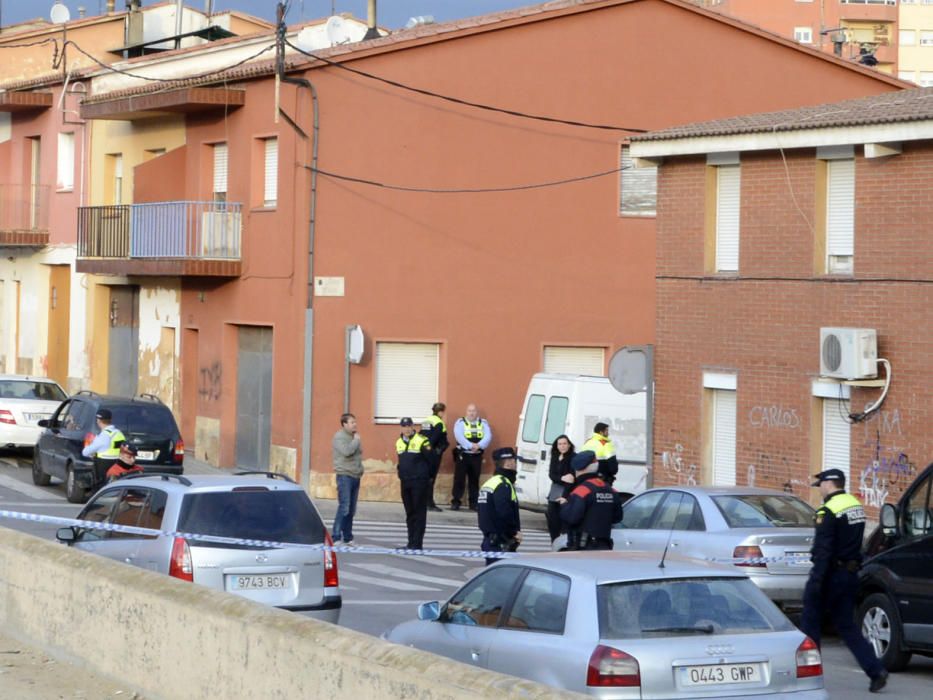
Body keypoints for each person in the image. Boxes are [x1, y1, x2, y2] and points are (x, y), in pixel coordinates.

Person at [801, 469, 888, 693]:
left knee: (810, 625)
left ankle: (810, 677)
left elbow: (823, 549)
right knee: (847, 626)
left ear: (830, 484)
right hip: (849, 574)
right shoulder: (854, 505)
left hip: (830, 574)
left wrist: (816, 582)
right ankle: (875, 670)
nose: (819, 489)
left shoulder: (828, 510)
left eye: (820, 484)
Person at [559, 450, 623, 551]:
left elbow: (572, 518)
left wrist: (564, 505)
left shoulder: (582, 490)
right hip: (605, 546)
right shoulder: (611, 490)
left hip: (584, 547)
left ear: (579, 469)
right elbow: (618, 517)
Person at [477, 447, 522, 566]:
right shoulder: (503, 484)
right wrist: (513, 532)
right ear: (508, 463)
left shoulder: (490, 482)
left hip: (490, 540)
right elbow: (504, 512)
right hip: (501, 542)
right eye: (514, 461)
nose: (515, 464)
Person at [396, 417, 433, 550]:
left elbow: (431, 460)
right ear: (401, 427)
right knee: (410, 513)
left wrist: (428, 477)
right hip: (405, 482)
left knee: (419, 513)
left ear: (413, 427)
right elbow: (400, 462)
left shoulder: (422, 441)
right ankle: (410, 542)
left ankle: (417, 544)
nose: (406, 428)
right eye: (404, 426)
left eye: (408, 426)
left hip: (419, 482)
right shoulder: (399, 442)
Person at [450, 404, 492, 511]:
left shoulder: (483, 423)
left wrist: (479, 445)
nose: (471, 413)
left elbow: (488, 436)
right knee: (459, 479)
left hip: (476, 456)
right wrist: (470, 445)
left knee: (474, 480)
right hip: (463, 455)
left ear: (476, 412)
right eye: (469, 411)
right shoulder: (460, 422)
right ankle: (456, 502)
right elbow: (458, 436)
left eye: (473, 411)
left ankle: (473, 504)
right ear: (466, 412)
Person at [332, 413, 363, 545]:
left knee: (351, 509)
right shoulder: (339, 437)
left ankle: (348, 536)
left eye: (355, 422)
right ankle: (336, 535)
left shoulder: (353, 437)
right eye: (351, 422)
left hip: (355, 475)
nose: (354, 424)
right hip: (344, 475)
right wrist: (356, 441)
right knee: (344, 506)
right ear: (344, 424)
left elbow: (357, 455)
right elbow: (346, 452)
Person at [81, 408, 126, 486]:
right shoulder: (119, 433)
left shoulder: (104, 435)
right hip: (118, 463)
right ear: (110, 419)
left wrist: (89, 443)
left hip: (103, 465)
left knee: (99, 488)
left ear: (98, 420)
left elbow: (85, 452)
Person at [546, 435, 576, 542]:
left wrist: (565, 496)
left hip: (567, 493)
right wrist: (562, 478)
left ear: (569, 445)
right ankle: (554, 542)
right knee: (552, 520)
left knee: (564, 522)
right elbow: (551, 475)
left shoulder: (573, 457)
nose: (562, 446)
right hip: (554, 492)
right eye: (560, 444)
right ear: (556, 446)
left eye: (564, 443)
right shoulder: (555, 456)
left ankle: (564, 545)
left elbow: (571, 480)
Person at [420, 402, 449, 512]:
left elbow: (421, 435)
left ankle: (424, 502)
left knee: (425, 478)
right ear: (440, 412)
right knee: (431, 478)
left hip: (423, 452)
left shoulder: (426, 420)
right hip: (433, 454)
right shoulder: (439, 423)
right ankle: (430, 503)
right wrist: (434, 451)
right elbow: (435, 439)